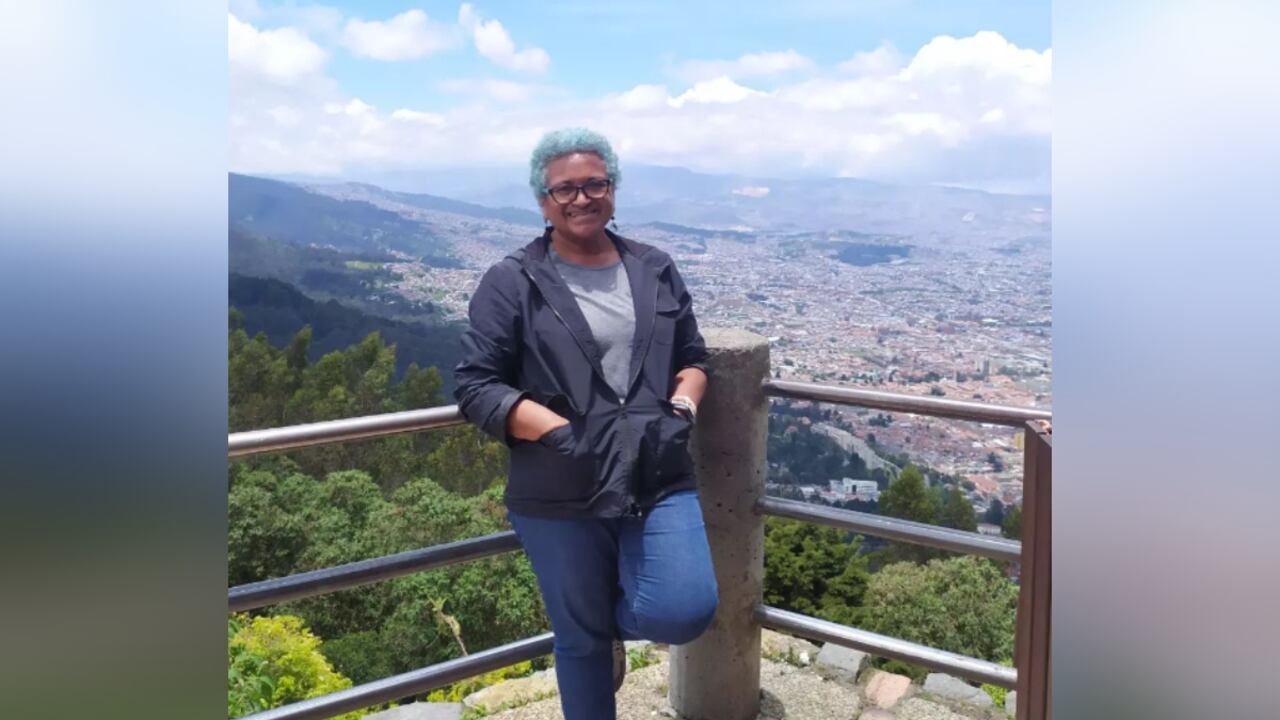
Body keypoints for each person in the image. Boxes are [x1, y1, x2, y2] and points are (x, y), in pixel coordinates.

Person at [454, 128, 719, 719]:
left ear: (613, 189)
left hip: (658, 470)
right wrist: (556, 431)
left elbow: (693, 358)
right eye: (564, 189)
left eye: (594, 184)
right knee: (579, 643)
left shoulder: (654, 268)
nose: (581, 198)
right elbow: (476, 385)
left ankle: (609, 620)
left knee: (682, 609)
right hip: (560, 483)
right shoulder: (513, 280)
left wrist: (683, 407)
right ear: (543, 201)